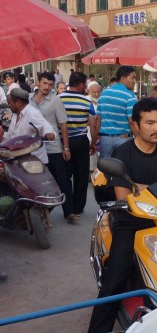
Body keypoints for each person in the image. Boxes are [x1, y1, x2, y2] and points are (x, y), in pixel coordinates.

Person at [86, 98, 157, 333]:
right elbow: (124, 196)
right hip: (131, 222)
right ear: (135, 125)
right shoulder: (123, 154)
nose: (156, 128)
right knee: (113, 282)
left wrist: (142, 187)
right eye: (149, 123)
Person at [30, 71, 76, 223]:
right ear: (38, 82)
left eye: (50, 85)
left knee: (62, 180)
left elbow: (63, 125)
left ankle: (69, 212)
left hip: (52, 147)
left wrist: (66, 148)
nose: (47, 87)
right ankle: (35, 213)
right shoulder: (28, 99)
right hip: (31, 148)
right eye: (44, 83)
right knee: (35, 182)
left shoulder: (56, 100)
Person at [59, 72, 99, 219]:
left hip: (62, 142)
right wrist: (93, 143)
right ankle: (77, 208)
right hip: (81, 141)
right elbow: (93, 125)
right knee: (81, 176)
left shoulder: (59, 99)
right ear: (81, 84)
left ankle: (67, 207)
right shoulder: (86, 101)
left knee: (65, 176)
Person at [97, 65, 137, 159]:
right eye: (132, 78)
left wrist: (97, 138)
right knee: (123, 166)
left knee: (105, 166)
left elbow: (98, 119)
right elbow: (132, 121)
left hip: (105, 139)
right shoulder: (130, 96)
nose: (134, 81)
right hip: (123, 140)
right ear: (123, 78)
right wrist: (139, 138)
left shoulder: (103, 94)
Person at [5, 88, 55, 161]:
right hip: (18, 158)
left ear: (18, 103)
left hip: (34, 160)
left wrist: (48, 132)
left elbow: (45, 124)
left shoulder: (32, 113)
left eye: (9, 103)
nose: (9, 105)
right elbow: (11, 135)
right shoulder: (15, 114)